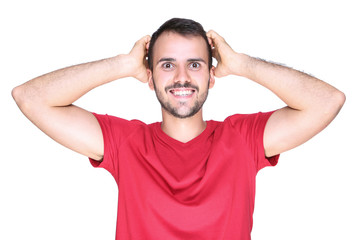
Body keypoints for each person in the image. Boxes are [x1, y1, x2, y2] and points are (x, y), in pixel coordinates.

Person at [12, 18, 345, 239]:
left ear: (211, 76)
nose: (182, 77)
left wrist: (242, 64)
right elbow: (30, 98)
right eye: (167, 65)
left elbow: (327, 101)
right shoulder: (126, 143)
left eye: (195, 64)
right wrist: (124, 65)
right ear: (151, 76)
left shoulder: (242, 138)